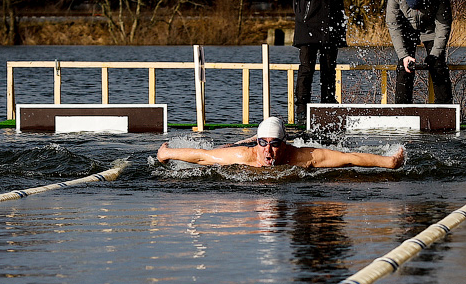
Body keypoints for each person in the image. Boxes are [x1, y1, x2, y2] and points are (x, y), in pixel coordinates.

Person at [155, 117, 405, 169]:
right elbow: (203, 156)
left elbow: (348, 157)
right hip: (237, 152)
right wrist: (167, 153)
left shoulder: (300, 157)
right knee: (218, 152)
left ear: (284, 144)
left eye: (274, 144)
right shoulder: (245, 155)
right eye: (262, 143)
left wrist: (389, 162)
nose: (267, 150)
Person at [292, 0, 354, 125]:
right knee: (306, 68)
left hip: (332, 23)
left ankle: (328, 106)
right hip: (307, 22)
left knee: (329, 68)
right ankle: (302, 110)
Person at [385, 0, 453, 104]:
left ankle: (445, 108)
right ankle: (402, 108)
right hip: (406, 29)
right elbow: (393, 25)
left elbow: (443, 25)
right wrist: (403, 55)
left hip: (431, 27)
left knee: (438, 65)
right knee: (404, 67)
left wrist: (434, 54)